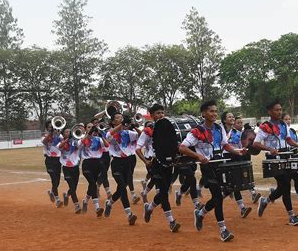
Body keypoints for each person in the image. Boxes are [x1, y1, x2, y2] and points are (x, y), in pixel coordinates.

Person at [179, 100, 248, 242]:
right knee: (218, 197)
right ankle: (223, 230)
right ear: (204, 114)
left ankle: (200, 213)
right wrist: (198, 156)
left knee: (224, 193)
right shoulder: (197, 131)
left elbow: (225, 145)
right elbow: (182, 147)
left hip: (220, 164)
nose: (215, 114)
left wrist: (237, 151)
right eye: (211, 111)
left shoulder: (219, 128)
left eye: (216, 111)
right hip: (208, 167)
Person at [253, 100, 298, 226]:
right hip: (273, 160)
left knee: (283, 187)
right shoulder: (265, 126)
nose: (279, 112)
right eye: (277, 110)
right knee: (286, 186)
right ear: (270, 111)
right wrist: (269, 149)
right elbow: (256, 143)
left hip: (285, 156)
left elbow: (288, 139)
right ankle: (292, 216)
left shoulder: (283, 124)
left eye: (280, 109)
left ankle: (266, 201)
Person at [143, 104, 181, 233]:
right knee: (164, 194)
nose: (161, 115)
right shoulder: (148, 131)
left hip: (167, 163)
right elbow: (138, 147)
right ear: (152, 115)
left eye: (162, 113)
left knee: (163, 191)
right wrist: (146, 160)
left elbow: (172, 142)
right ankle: (171, 221)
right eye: (158, 113)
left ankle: (150, 208)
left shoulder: (166, 126)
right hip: (156, 164)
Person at [268, 114, 298, 209]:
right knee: (288, 183)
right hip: (282, 159)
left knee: (292, 180)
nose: (288, 121)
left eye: (289, 119)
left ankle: (272, 196)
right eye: (286, 119)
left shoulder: (292, 131)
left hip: (290, 159)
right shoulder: (278, 132)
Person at [103, 113, 139, 225]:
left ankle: (109, 203)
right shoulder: (110, 132)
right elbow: (108, 137)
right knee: (123, 188)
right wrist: (122, 124)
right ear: (113, 122)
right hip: (117, 163)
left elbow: (142, 136)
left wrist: (134, 126)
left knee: (121, 188)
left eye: (121, 117)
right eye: (117, 117)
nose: (120, 119)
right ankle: (129, 214)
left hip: (128, 162)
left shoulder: (128, 133)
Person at [80, 122, 109, 217]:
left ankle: (85, 201)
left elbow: (107, 145)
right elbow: (80, 144)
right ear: (85, 129)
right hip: (87, 164)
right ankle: (97, 208)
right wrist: (88, 134)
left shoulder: (98, 139)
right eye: (88, 127)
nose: (91, 129)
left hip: (97, 164)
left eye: (92, 127)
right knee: (93, 184)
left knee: (91, 185)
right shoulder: (82, 138)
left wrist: (101, 135)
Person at [57, 127, 83, 213]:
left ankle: (67, 195)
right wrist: (67, 140)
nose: (68, 133)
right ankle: (77, 206)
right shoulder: (61, 143)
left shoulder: (75, 142)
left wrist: (74, 139)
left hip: (75, 167)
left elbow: (80, 144)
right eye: (66, 132)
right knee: (72, 186)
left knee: (74, 187)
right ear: (63, 134)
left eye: (69, 132)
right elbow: (59, 147)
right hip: (66, 167)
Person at [41, 120, 63, 208]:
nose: (52, 128)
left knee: (57, 181)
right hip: (49, 160)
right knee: (54, 179)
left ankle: (52, 192)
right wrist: (51, 133)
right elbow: (45, 142)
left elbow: (64, 142)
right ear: (47, 128)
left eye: (53, 127)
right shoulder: (44, 136)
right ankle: (57, 200)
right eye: (50, 127)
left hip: (58, 160)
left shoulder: (59, 136)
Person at [90, 117, 112, 200]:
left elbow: (109, 141)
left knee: (104, 173)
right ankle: (108, 192)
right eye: (95, 123)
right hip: (98, 155)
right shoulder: (90, 133)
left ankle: (97, 187)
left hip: (106, 154)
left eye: (97, 123)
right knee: (103, 174)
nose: (96, 124)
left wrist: (101, 134)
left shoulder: (104, 131)